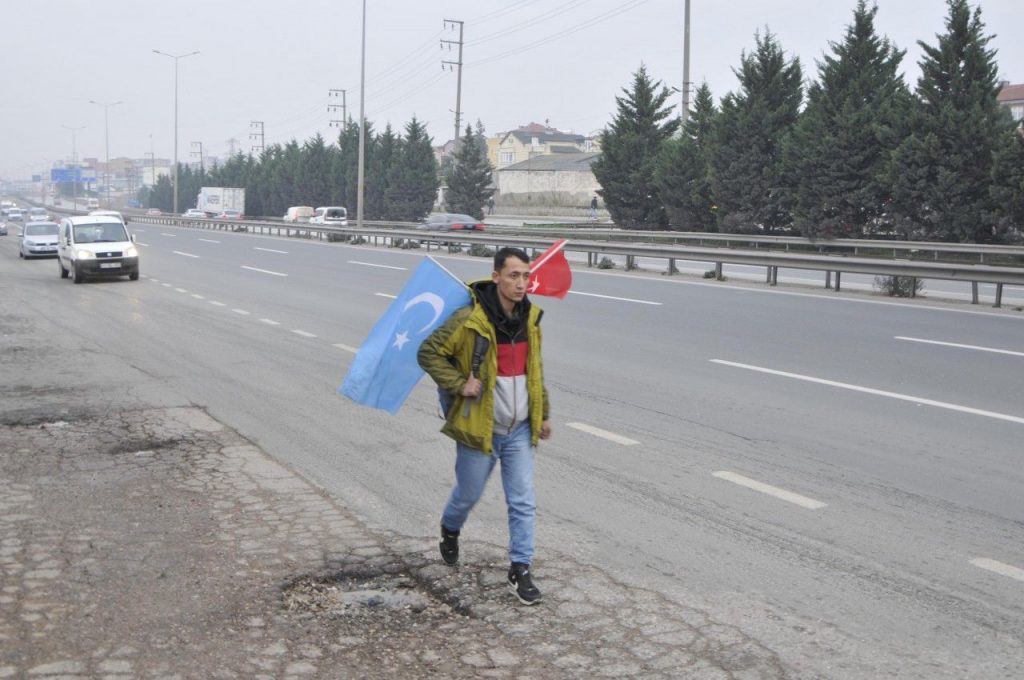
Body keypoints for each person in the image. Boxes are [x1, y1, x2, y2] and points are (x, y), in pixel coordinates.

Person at [418, 247, 552, 605]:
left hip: (519, 429)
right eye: (513, 275)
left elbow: (535, 372)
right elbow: (428, 353)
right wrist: (459, 384)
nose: (521, 283)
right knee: (468, 493)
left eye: (526, 276)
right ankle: (450, 528)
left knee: (523, 501)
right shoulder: (470, 320)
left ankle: (520, 569)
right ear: (496, 277)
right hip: (481, 427)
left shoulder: (530, 319)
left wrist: (543, 414)